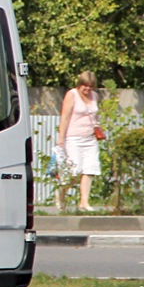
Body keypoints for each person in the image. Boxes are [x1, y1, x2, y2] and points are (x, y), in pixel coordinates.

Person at [56, 71, 100, 212]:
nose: (87, 89)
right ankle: (61, 192)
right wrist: (61, 139)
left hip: (90, 138)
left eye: (90, 86)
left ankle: (84, 202)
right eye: (85, 86)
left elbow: (95, 116)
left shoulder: (95, 96)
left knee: (90, 169)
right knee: (74, 171)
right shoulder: (72, 94)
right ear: (79, 84)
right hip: (73, 137)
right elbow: (65, 116)